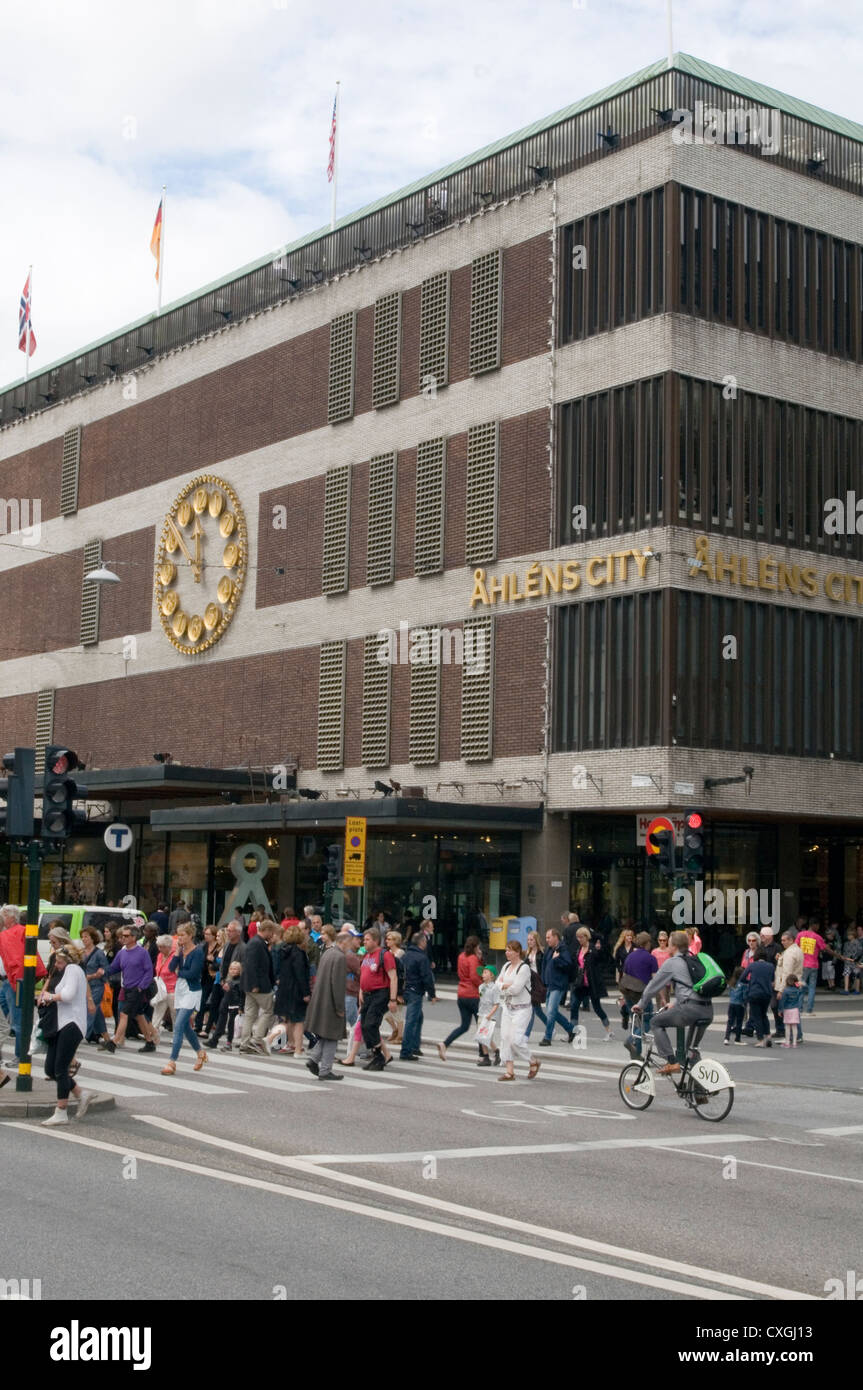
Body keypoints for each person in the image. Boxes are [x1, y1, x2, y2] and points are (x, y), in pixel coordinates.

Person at [633, 930, 713, 1075]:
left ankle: (671, 1062)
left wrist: (641, 1004)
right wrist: (675, 1004)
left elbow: (653, 986)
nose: (667, 946)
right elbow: (690, 988)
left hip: (690, 1010)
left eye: (669, 943)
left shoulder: (672, 962)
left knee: (655, 1022)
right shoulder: (694, 959)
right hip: (707, 1010)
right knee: (692, 1051)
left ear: (674, 946)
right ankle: (701, 1091)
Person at [39, 943, 95, 1126]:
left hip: (72, 1024)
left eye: (60, 962)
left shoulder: (73, 969)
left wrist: (50, 997)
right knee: (50, 1069)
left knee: (60, 1069)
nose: (57, 965)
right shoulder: (69, 971)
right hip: (62, 1024)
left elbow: (69, 995)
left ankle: (61, 1112)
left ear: (68, 960)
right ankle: (80, 1093)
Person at [0, 905, 47, 1063]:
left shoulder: (11, 934)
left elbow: (16, 960)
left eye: (3, 916)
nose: (2, 919)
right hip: (14, 980)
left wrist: (17, 981)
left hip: (16, 980)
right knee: (15, 1017)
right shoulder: (16, 933)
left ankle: (21, 1057)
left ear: (10, 917)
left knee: (19, 1019)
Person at [102, 925, 159, 1053]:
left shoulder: (142, 952)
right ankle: (150, 1042)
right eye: (122, 935)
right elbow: (114, 967)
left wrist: (141, 987)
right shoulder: (122, 952)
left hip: (136, 989)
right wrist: (102, 972)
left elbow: (149, 971)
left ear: (134, 937)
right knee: (139, 1016)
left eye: (126, 936)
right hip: (126, 988)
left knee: (124, 1014)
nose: (123, 938)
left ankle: (114, 1042)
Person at [161, 924, 207, 1075]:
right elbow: (170, 968)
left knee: (179, 1024)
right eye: (178, 935)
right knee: (186, 1026)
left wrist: (179, 972)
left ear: (190, 936)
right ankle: (200, 1052)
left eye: (182, 935)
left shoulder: (198, 952)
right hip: (180, 989)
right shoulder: (179, 951)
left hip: (192, 991)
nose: (179, 938)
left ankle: (172, 1061)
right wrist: (176, 955)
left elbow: (193, 973)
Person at [304, 926, 346, 1081]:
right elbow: (338, 984)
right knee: (332, 1036)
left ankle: (314, 1059)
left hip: (321, 1000)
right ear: (345, 942)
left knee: (325, 1035)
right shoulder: (340, 957)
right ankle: (325, 1069)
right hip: (331, 1003)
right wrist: (340, 1008)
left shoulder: (327, 953)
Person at [497, 941, 540, 1081]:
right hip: (507, 1007)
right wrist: (506, 985)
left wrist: (504, 986)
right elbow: (497, 983)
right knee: (505, 1039)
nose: (506, 953)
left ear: (517, 952)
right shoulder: (506, 966)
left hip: (522, 1009)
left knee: (516, 1040)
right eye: (506, 950)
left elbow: (516, 990)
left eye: (509, 950)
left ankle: (533, 1061)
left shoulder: (524, 968)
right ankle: (510, 1072)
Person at [358, 926, 397, 1071]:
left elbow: (393, 977)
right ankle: (376, 1055)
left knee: (370, 1024)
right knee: (364, 1026)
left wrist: (392, 999)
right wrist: (361, 991)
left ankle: (379, 1057)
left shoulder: (384, 955)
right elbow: (363, 975)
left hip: (380, 994)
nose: (364, 942)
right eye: (364, 940)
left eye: (367, 940)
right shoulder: (366, 956)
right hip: (367, 995)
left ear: (375, 941)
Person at [202, 920, 246, 1049]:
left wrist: (231, 983)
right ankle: (215, 1037)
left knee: (229, 1012)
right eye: (227, 930)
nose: (228, 932)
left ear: (238, 932)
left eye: (231, 930)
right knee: (219, 1009)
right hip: (223, 982)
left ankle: (226, 1040)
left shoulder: (243, 948)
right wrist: (222, 979)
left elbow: (242, 969)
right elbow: (223, 965)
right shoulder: (226, 945)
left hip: (234, 985)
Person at [438, 934, 482, 1060]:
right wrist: (482, 986)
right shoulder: (473, 958)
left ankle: (445, 1044)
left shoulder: (461, 956)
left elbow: (460, 973)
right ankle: (482, 1053)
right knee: (481, 1025)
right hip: (472, 995)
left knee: (464, 1026)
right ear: (475, 946)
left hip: (461, 994)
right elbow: (474, 976)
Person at [238, 919, 276, 1054]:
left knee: (250, 1014)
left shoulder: (256, 942)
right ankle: (256, 1039)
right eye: (271, 932)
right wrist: (255, 984)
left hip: (250, 985)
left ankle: (245, 1042)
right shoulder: (257, 944)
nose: (272, 934)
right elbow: (251, 965)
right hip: (258, 985)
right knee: (268, 1011)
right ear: (266, 930)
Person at [274, 924, 311, 1057]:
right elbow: (300, 974)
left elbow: (277, 970)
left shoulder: (282, 950)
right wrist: (306, 993)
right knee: (299, 1020)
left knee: (288, 1019)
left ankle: (290, 1043)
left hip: (284, 989)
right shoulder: (298, 953)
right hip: (296, 990)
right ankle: (298, 1049)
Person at [620, 931, 659, 1058]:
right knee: (647, 1021)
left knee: (636, 1022)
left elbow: (624, 976)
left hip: (628, 993)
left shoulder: (630, 956)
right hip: (642, 994)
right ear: (647, 943)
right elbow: (654, 980)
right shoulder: (651, 958)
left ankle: (636, 1054)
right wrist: (661, 996)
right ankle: (631, 1040)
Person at [399, 930, 437, 1061]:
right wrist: (432, 994)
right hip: (416, 991)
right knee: (411, 1020)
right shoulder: (422, 958)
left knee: (418, 1017)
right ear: (421, 942)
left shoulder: (406, 955)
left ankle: (415, 1046)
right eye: (425, 941)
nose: (426, 944)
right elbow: (427, 977)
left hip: (406, 990)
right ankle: (406, 1051)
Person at [571, 926, 613, 1041]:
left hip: (592, 983)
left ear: (586, 937)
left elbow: (603, 960)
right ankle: (572, 1032)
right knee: (574, 1006)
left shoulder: (594, 949)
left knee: (597, 1007)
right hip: (581, 983)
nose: (579, 939)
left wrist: (600, 950)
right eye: (577, 937)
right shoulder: (578, 949)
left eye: (581, 937)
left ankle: (608, 1030)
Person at [539, 928, 576, 1046]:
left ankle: (547, 1037)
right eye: (546, 938)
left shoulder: (562, 949)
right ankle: (571, 1030)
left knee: (550, 1012)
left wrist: (556, 960)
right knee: (552, 1011)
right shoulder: (550, 950)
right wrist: (543, 981)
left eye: (549, 937)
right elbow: (545, 965)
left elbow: (568, 965)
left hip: (559, 984)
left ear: (556, 937)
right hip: (550, 984)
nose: (547, 940)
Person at [796, 919, 836, 1015]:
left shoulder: (800, 935)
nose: (818, 928)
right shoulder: (817, 937)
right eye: (818, 926)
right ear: (814, 925)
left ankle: (799, 1009)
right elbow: (824, 949)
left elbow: (795, 947)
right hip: (813, 965)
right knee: (812, 988)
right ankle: (809, 1010)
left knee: (800, 987)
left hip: (803, 964)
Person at [774, 930, 806, 1043]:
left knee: (789, 1012)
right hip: (797, 983)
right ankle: (798, 1035)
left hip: (789, 985)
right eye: (781, 940)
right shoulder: (797, 950)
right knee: (794, 1010)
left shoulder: (790, 953)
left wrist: (781, 990)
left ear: (791, 940)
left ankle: (793, 1036)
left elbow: (787, 972)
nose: (782, 942)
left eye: (784, 940)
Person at [80, 927, 109, 1045]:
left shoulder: (99, 953)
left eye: (86, 936)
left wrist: (94, 975)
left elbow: (105, 969)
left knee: (90, 1008)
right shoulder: (81, 952)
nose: (83, 939)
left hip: (96, 986)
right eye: (82, 936)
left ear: (93, 938)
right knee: (97, 1013)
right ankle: (107, 1039)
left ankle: (81, 1034)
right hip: (84, 986)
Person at [741, 948, 775, 1047]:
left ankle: (760, 1039)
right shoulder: (771, 966)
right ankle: (768, 1035)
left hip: (754, 993)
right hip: (767, 993)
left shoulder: (752, 965)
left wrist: (750, 983)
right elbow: (772, 979)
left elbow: (743, 977)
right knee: (764, 1015)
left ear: (756, 956)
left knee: (756, 1016)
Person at [337, 926, 363, 1036]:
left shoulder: (350, 954)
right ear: (349, 940)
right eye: (357, 939)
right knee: (355, 1023)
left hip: (348, 992)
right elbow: (361, 973)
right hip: (350, 992)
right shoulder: (350, 956)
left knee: (354, 1022)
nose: (360, 941)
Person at [151, 935, 179, 1038]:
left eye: (162, 947)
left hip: (172, 988)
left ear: (168, 946)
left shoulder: (174, 956)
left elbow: (176, 971)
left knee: (174, 1013)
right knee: (158, 1011)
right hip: (161, 988)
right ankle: (153, 1033)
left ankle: (176, 1035)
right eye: (159, 946)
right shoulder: (160, 955)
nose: (160, 949)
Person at [383, 929, 406, 1045]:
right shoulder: (388, 952)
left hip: (398, 988)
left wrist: (400, 993)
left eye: (389, 939)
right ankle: (395, 1030)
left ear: (395, 940)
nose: (387, 941)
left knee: (397, 1013)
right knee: (386, 1014)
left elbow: (401, 975)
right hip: (390, 988)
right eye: (386, 938)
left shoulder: (399, 953)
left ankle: (400, 1035)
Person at [476, 965, 501, 1066]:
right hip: (481, 1014)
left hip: (490, 1016)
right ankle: (487, 1057)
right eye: (483, 972)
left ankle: (496, 1052)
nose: (483, 974)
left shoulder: (495, 988)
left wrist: (490, 1015)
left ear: (492, 975)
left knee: (487, 1037)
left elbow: (496, 1004)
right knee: (481, 1037)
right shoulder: (481, 987)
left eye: (486, 972)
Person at [525, 929, 547, 1038]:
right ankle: (550, 1028)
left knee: (533, 1009)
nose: (529, 942)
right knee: (537, 1010)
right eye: (528, 940)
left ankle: (526, 1035)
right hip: (530, 982)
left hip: (538, 982)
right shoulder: (527, 952)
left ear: (536, 940)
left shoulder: (541, 952)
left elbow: (543, 968)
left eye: (531, 940)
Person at [613, 926, 636, 1029]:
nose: (629, 937)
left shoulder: (635, 947)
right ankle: (625, 1014)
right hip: (624, 975)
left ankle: (631, 1018)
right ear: (624, 937)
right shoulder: (620, 949)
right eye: (627, 936)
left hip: (634, 975)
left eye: (631, 936)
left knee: (631, 997)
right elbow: (616, 961)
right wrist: (620, 969)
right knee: (626, 997)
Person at [724, 967, 748, 1045]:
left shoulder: (732, 983)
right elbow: (745, 996)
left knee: (730, 1021)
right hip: (740, 1004)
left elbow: (730, 994)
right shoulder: (744, 984)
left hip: (732, 1003)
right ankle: (737, 1039)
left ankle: (726, 1038)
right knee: (739, 1021)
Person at [778, 976, 803, 1048]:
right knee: (794, 1026)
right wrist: (799, 985)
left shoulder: (785, 991)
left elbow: (782, 1001)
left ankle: (787, 1042)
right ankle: (795, 1043)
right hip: (795, 1009)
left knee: (787, 1027)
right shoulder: (797, 990)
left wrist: (780, 1010)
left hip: (787, 1010)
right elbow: (804, 989)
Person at [841, 928, 862, 995]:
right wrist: (844, 957)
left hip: (855, 962)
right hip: (847, 962)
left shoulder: (857, 943)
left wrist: (857, 960)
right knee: (846, 974)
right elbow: (844, 952)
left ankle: (857, 990)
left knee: (856, 975)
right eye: (848, 935)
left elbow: (860, 952)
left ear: (853, 935)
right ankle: (846, 989)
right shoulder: (846, 943)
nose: (848, 936)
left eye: (849, 935)